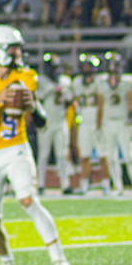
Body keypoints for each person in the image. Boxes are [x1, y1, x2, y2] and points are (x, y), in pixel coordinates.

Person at [0, 25, 70, 265]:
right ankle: (6, 260)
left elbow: (41, 124)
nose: (18, 53)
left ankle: (59, 259)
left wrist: (33, 108)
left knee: (28, 199)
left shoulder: (24, 77)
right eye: (13, 48)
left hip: (16, 149)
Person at [92, 51, 132, 196]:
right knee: (112, 157)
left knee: (129, 156)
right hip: (108, 122)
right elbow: (100, 106)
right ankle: (118, 187)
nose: (112, 68)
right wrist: (98, 126)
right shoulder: (101, 82)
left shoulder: (127, 81)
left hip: (123, 122)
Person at [34, 53, 81, 194]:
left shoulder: (65, 81)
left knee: (62, 154)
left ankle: (65, 184)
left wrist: (63, 93)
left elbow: (70, 100)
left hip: (60, 121)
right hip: (46, 123)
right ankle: (40, 184)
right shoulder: (41, 81)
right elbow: (37, 99)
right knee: (43, 154)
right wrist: (51, 90)